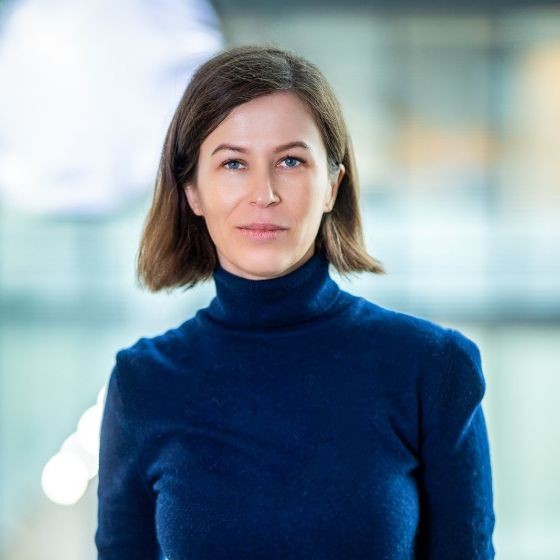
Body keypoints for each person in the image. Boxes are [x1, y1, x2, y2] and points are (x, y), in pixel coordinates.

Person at [95, 44, 496, 559]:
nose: (263, 193)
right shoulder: (143, 383)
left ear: (332, 184)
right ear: (192, 190)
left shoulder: (432, 368)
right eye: (234, 163)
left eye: (290, 161)